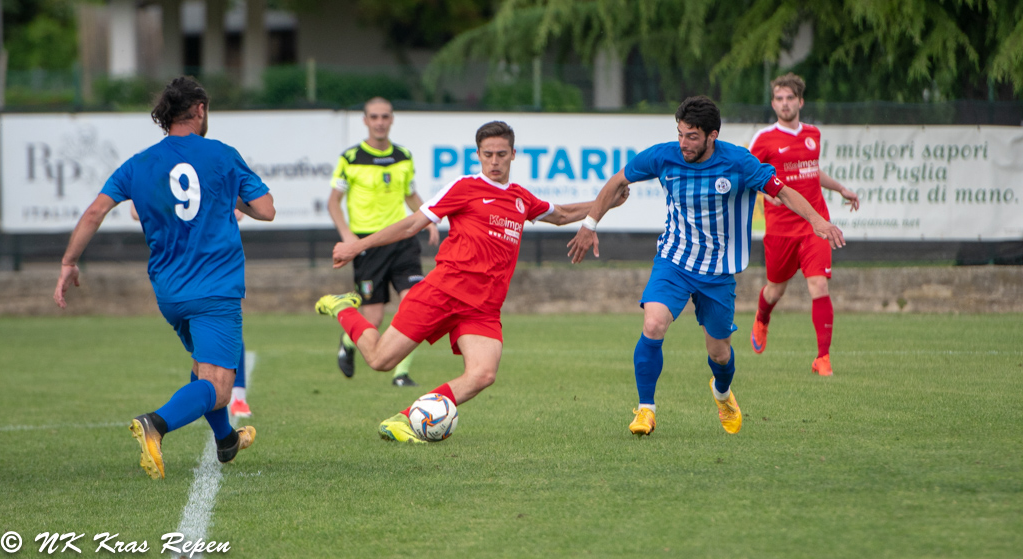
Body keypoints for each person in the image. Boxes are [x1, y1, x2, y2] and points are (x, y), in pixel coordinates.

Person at [315, 120, 629, 443]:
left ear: (513, 155)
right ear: (478, 155)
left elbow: (561, 215)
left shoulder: (521, 199)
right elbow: (412, 225)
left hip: (483, 307)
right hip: (441, 292)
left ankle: (407, 419)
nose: (494, 162)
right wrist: (357, 245)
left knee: (483, 374)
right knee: (380, 359)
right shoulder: (464, 188)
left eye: (501, 155)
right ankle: (343, 309)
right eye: (488, 154)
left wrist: (605, 203)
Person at [567, 96, 845, 437]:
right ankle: (646, 410)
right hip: (674, 261)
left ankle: (723, 394)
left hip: (718, 271)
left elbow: (783, 191)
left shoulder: (740, 162)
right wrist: (590, 224)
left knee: (720, 354)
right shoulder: (664, 155)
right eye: (681, 134)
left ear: (712, 135)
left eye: (692, 137)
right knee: (653, 323)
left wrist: (817, 220)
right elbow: (617, 182)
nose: (684, 143)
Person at [53, 76, 275, 479]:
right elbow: (265, 209)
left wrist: (69, 261)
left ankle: (226, 441)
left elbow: (94, 213)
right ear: (200, 109)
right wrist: (227, 196)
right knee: (221, 386)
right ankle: (156, 423)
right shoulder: (222, 155)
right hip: (215, 288)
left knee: (203, 368)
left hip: (170, 291)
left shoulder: (139, 164)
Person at [748, 73, 860, 376]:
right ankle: (762, 318)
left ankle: (822, 358)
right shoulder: (764, 139)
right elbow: (749, 174)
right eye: (779, 99)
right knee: (775, 290)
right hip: (780, 230)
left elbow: (812, 172)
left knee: (819, 285)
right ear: (773, 103)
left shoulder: (813, 134)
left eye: (789, 98)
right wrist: (766, 195)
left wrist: (840, 189)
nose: (784, 104)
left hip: (815, 226)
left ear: (800, 101)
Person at [327, 97, 440, 387]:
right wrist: (349, 237)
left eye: (385, 117)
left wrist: (430, 218)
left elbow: (410, 195)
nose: (379, 122)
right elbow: (333, 203)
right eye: (374, 117)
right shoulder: (350, 158)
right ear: (365, 120)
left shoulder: (403, 156)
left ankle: (401, 374)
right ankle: (347, 343)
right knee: (373, 319)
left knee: (414, 303)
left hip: (402, 240)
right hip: (368, 245)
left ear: (392, 120)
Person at [133, 201, 254, 417]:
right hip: (185, 267)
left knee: (220, 336)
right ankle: (158, 421)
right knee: (207, 353)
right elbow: (136, 209)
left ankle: (236, 401)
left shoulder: (212, 169)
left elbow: (242, 209)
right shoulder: (154, 170)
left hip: (203, 264)